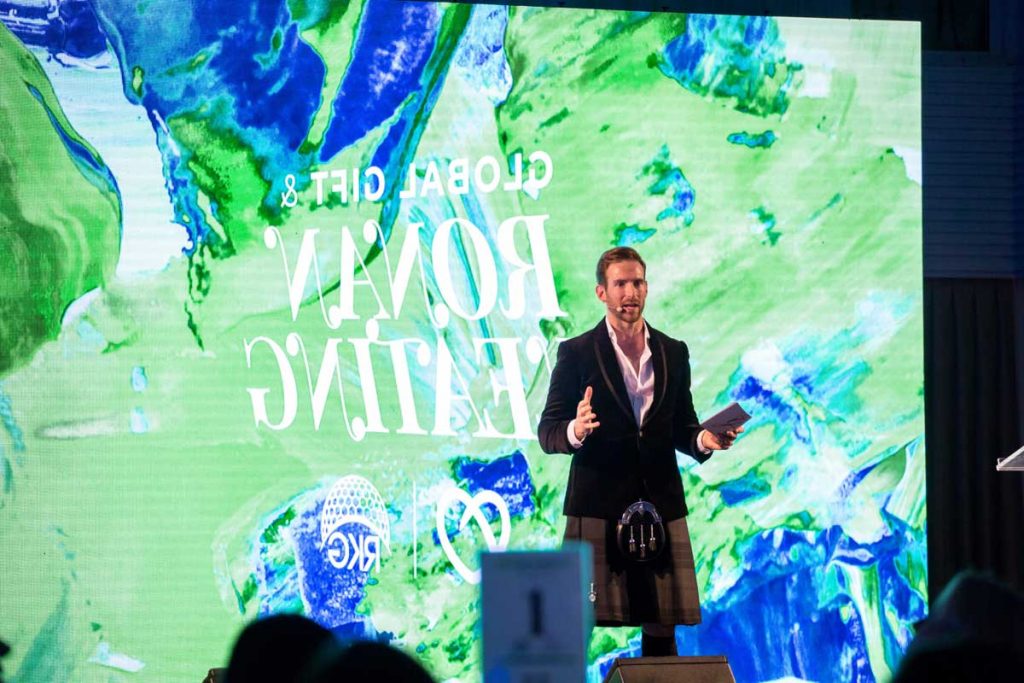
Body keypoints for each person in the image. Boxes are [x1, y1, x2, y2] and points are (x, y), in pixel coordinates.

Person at [537, 246, 740, 657]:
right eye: (620, 284)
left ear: (646, 288)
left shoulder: (672, 351)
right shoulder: (576, 352)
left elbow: (682, 426)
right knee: (573, 627)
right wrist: (576, 429)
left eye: (637, 283)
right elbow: (548, 431)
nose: (630, 292)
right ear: (601, 292)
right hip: (597, 506)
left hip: (659, 507)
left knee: (662, 631)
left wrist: (705, 440)